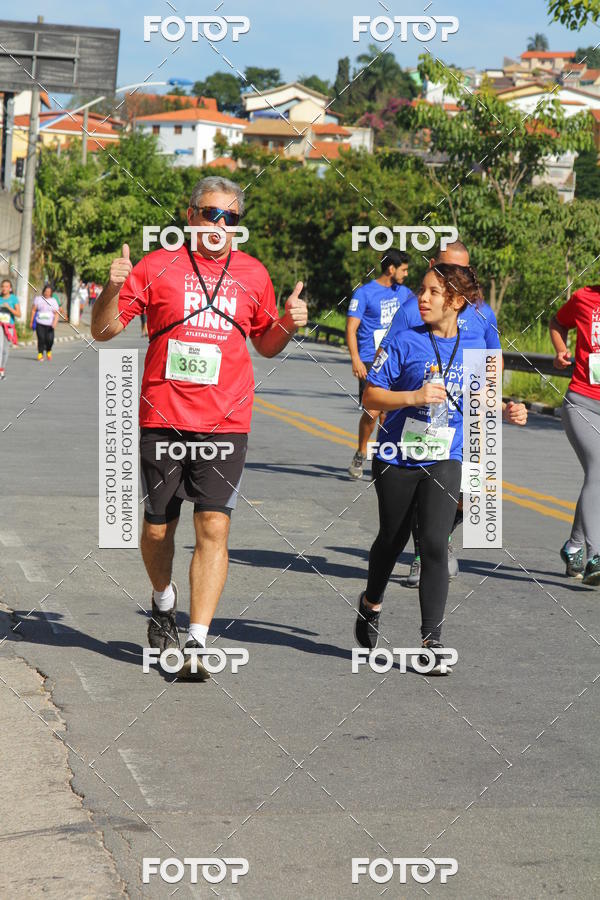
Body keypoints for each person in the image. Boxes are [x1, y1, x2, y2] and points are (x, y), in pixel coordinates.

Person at [91, 176, 308, 680]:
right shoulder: (155, 265)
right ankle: (163, 600)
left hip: (226, 421)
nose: (219, 225)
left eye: (229, 219)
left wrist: (291, 324)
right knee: (156, 527)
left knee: (214, 525)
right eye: (210, 214)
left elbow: (267, 344)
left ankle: (197, 640)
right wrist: (113, 286)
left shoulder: (253, 274)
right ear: (189, 216)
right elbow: (103, 331)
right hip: (163, 416)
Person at [355, 264, 482, 674]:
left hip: (446, 455)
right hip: (396, 456)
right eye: (421, 291)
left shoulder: (476, 342)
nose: (421, 299)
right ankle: (371, 601)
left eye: (431, 292)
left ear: (456, 302)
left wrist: (507, 407)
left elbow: (478, 397)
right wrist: (413, 396)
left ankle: (432, 641)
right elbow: (370, 397)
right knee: (391, 539)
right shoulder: (404, 342)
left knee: (432, 543)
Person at [379, 241, 527, 586]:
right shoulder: (415, 309)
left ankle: (440, 536)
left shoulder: (482, 312)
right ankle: (424, 552)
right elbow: (391, 361)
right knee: (428, 490)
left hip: (471, 414)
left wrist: (499, 405)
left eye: (465, 272)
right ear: (434, 265)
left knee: (475, 495)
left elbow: (493, 358)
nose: (457, 277)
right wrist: (396, 405)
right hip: (424, 419)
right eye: (448, 269)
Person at [347, 250, 417, 480]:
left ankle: (381, 458)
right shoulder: (365, 293)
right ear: (391, 269)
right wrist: (356, 358)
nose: (406, 274)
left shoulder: (406, 294)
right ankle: (361, 451)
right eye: (403, 269)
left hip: (395, 359)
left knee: (388, 414)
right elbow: (351, 328)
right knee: (373, 411)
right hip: (369, 358)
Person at [550, 286, 600, 585]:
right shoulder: (584, 297)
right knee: (599, 469)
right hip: (582, 403)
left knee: (596, 476)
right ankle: (596, 556)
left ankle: (574, 547)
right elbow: (557, 322)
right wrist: (560, 349)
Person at [30, 284, 60, 361]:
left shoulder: (53, 301)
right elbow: (33, 310)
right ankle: (40, 354)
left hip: (50, 324)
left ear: (51, 293)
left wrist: (55, 323)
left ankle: (48, 350)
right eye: (46, 291)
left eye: (49, 292)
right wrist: (31, 321)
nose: (47, 293)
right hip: (39, 322)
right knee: (41, 338)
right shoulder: (38, 299)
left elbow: (56, 313)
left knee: (50, 340)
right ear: (43, 291)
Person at [0, 278, 21, 380]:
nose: (4, 288)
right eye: (3, 286)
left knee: (5, 350)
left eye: (6, 286)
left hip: (9, 327)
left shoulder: (13, 299)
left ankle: (2, 369)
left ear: (10, 288)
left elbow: (19, 314)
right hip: (0, 325)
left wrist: (9, 308)